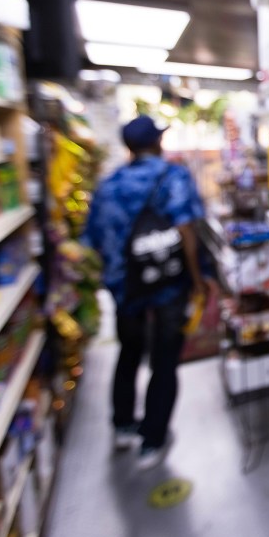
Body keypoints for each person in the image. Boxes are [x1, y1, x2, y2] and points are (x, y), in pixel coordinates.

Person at [84, 115, 206, 469]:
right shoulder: (173, 176)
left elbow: (94, 241)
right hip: (168, 285)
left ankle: (123, 426)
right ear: (155, 143)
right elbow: (187, 231)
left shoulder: (107, 186)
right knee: (165, 361)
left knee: (129, 353)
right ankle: (152, 441)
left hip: (126, 290)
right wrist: (198, 281)